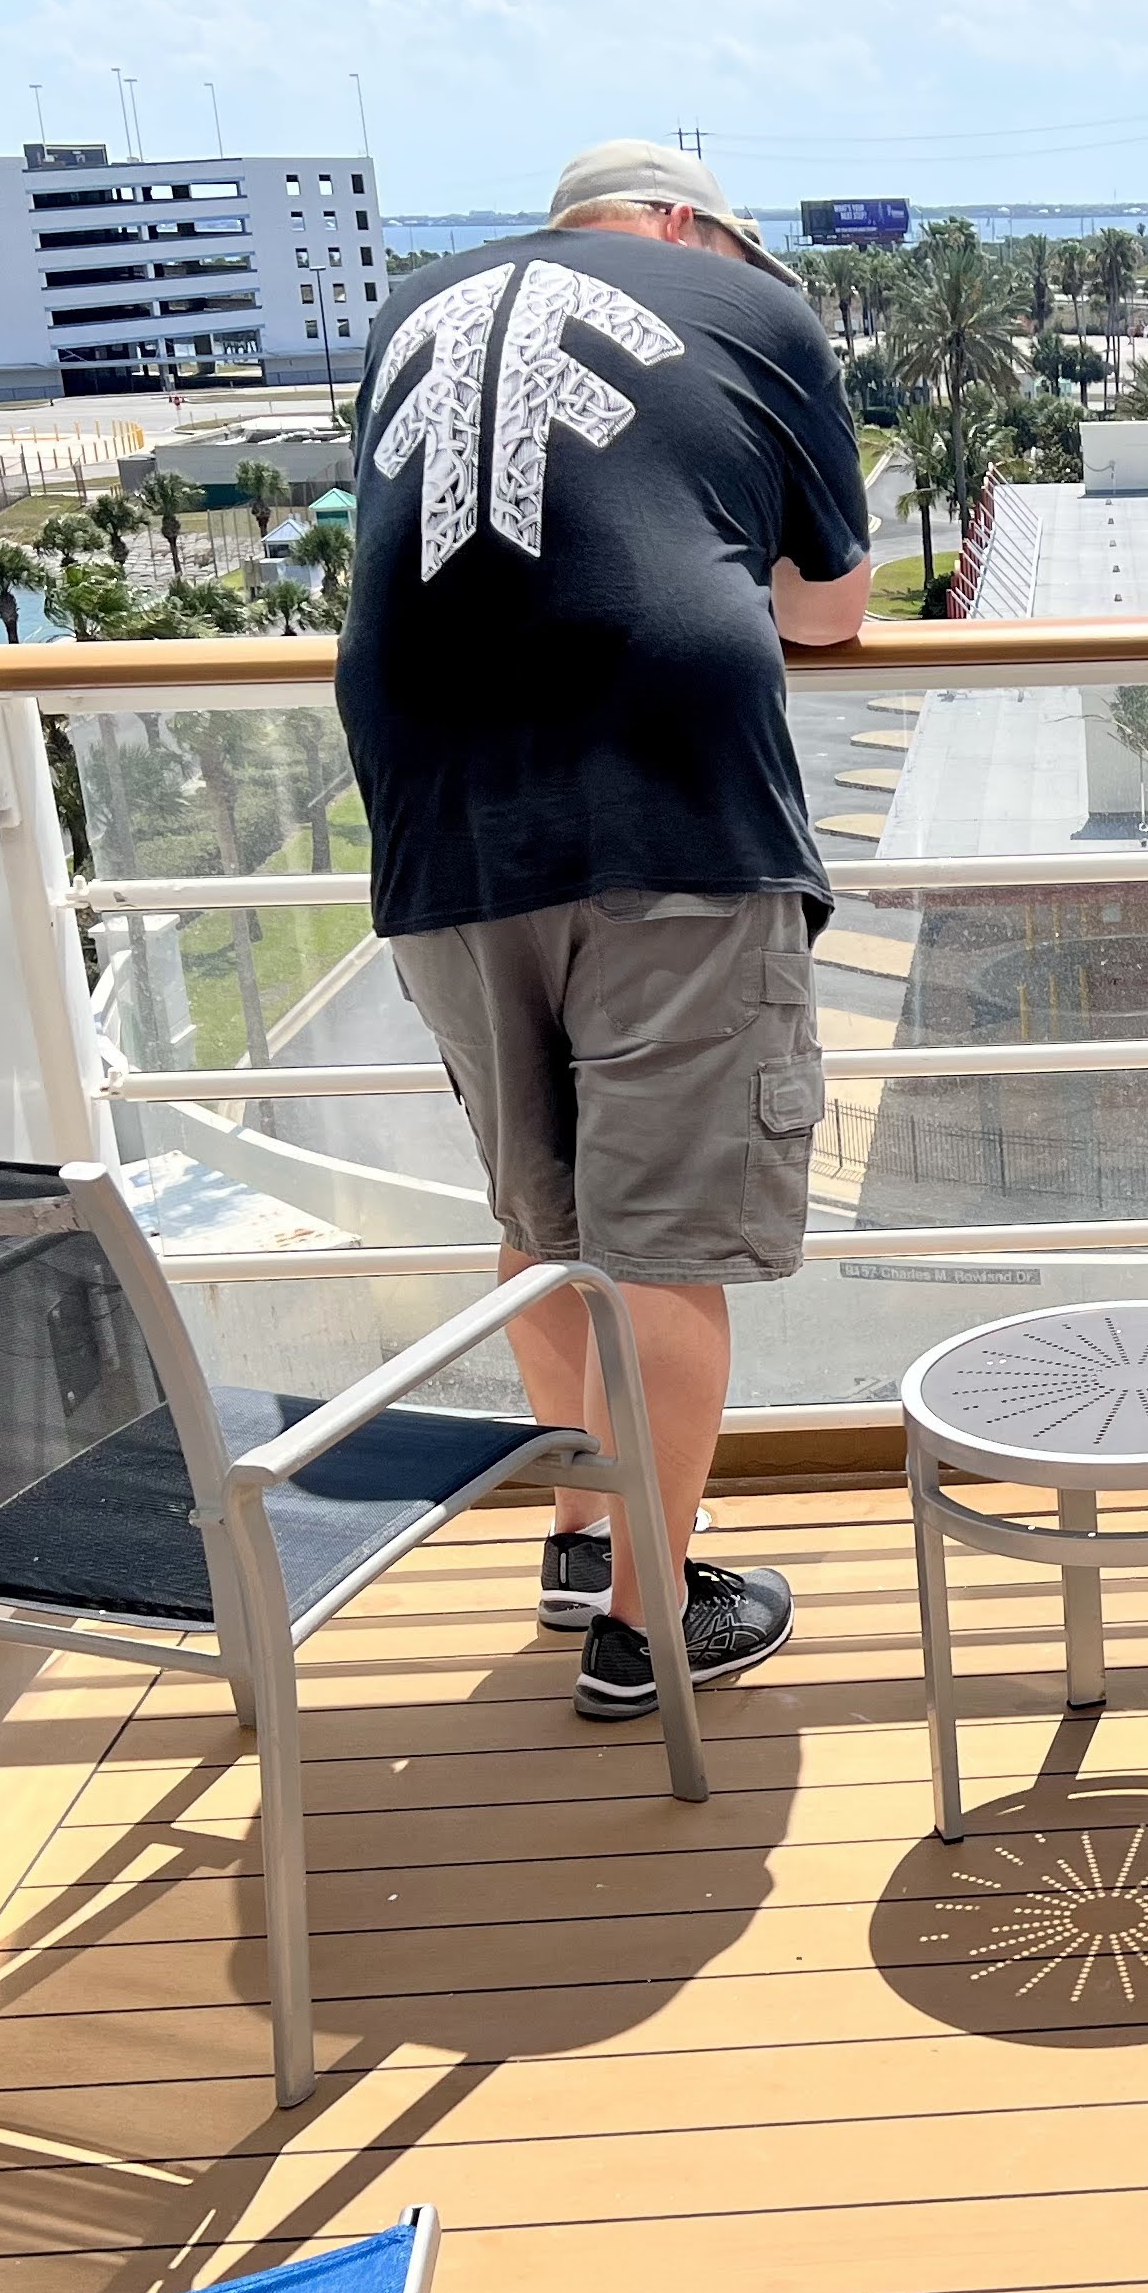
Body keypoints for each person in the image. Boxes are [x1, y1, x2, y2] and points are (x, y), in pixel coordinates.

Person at [337, 140, 871, 1722]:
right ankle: (652, 1624)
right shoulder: (745, 307)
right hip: (670, 806)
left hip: (438, 816)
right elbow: (829, 610)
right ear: (692, 227)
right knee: (666, 1248)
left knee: (545, 1216)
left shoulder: (413, 307)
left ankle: (582, 1531)